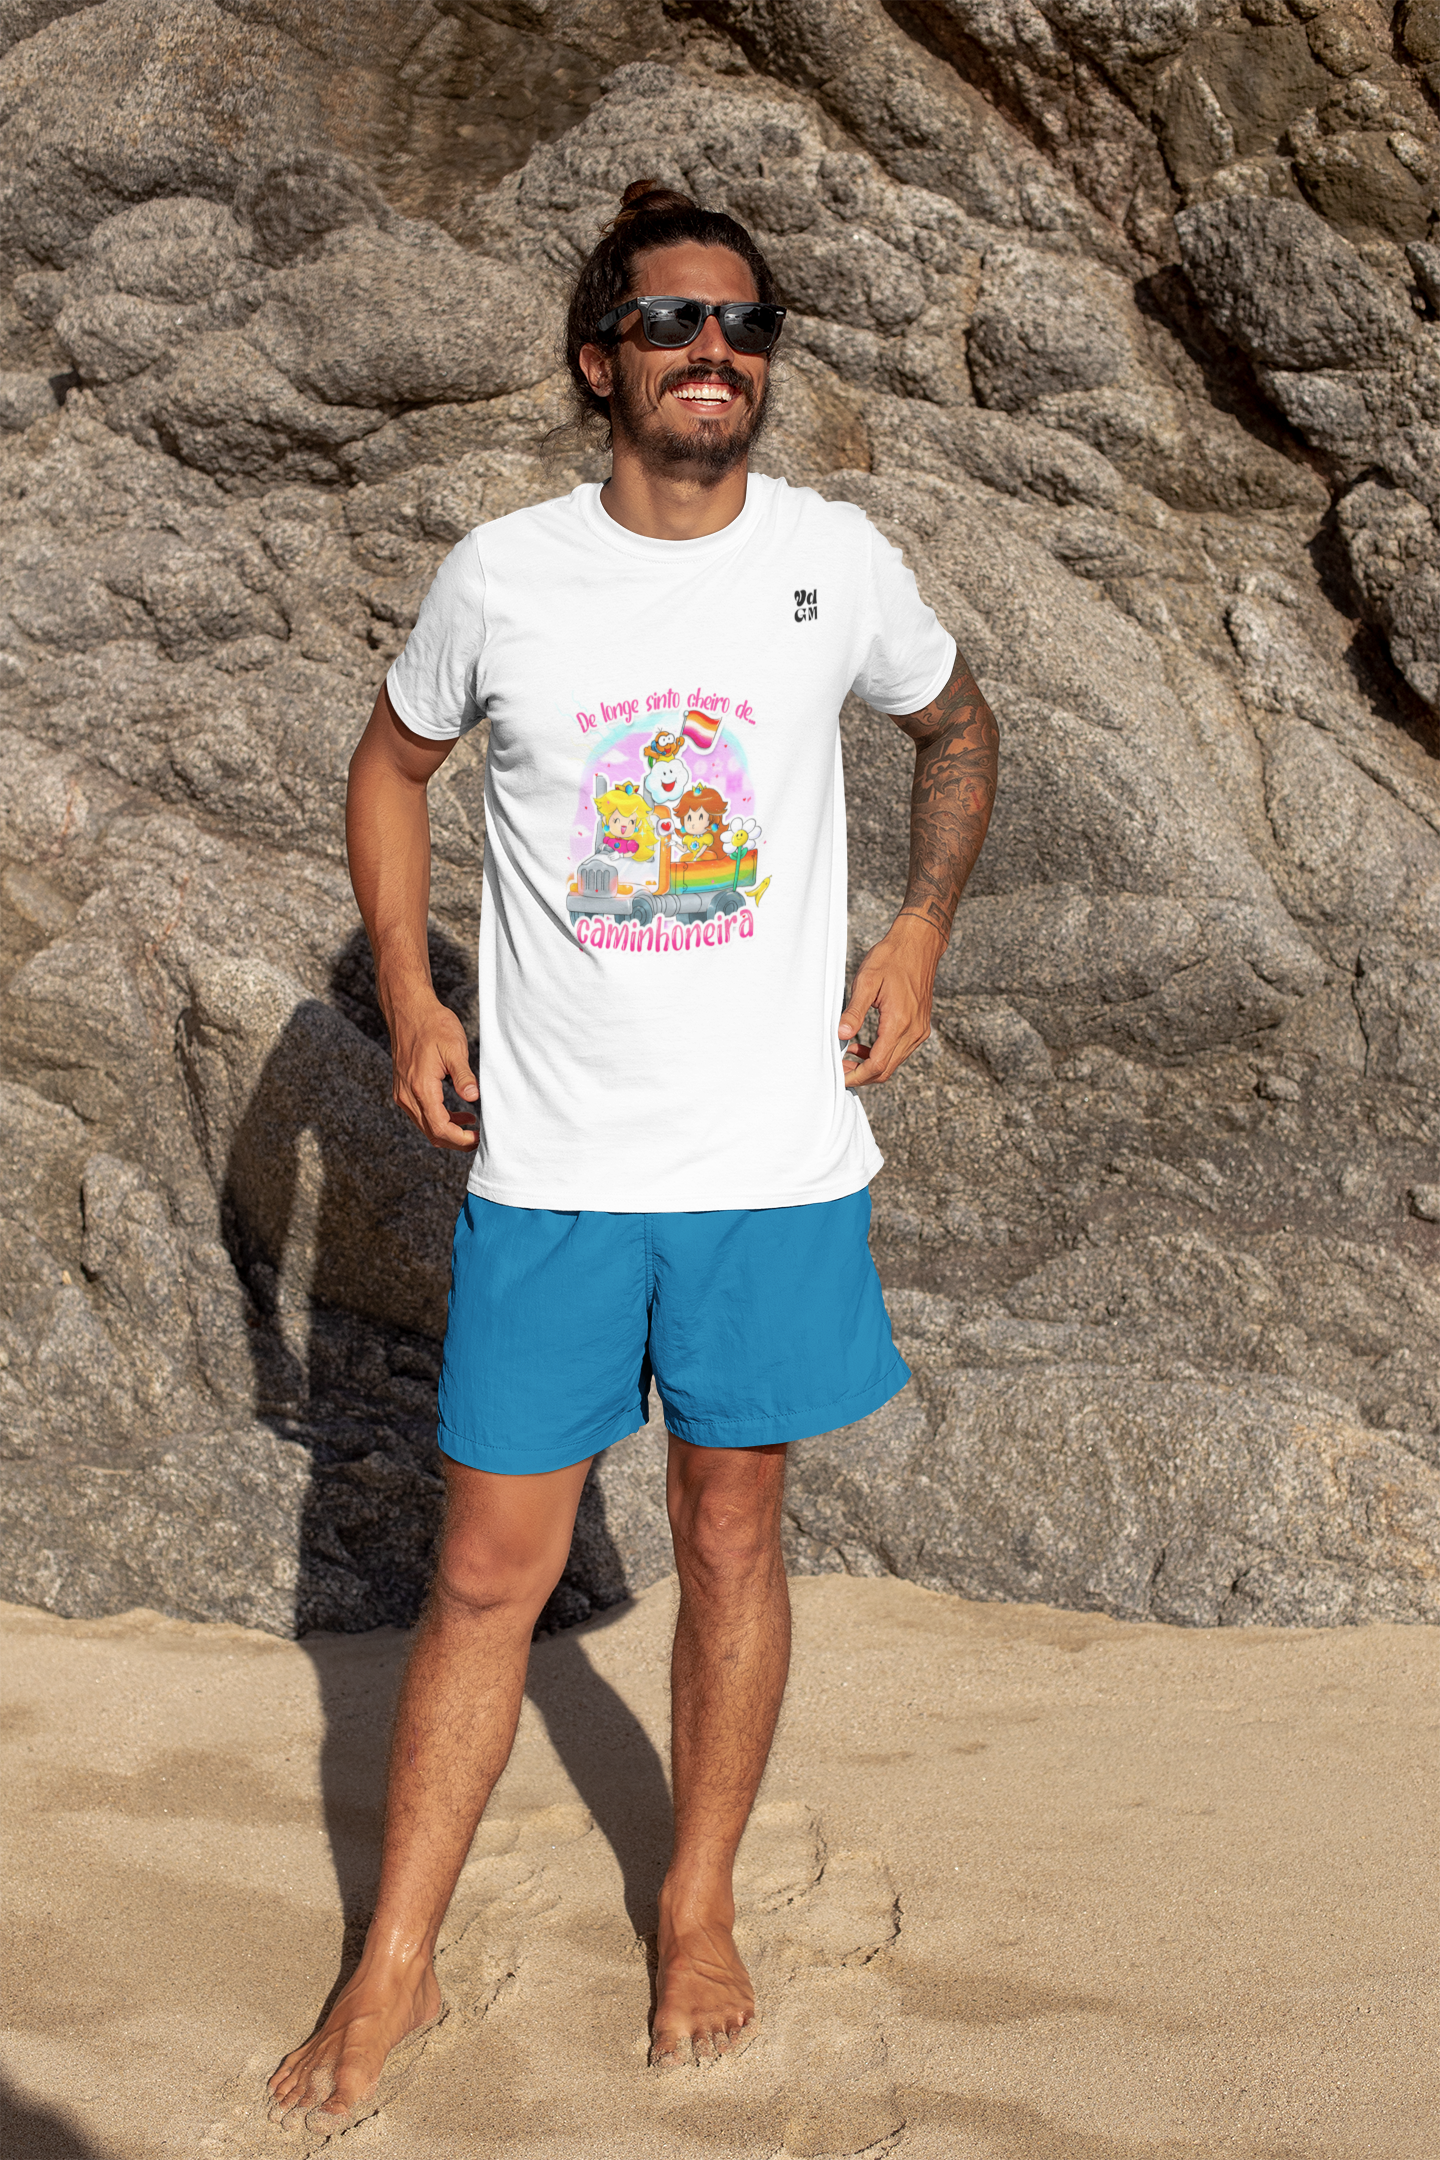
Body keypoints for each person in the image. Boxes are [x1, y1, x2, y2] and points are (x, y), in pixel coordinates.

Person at [267, 176, 998, 2127]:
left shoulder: (834, 560)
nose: (714, 351)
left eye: (745, 325)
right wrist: (412, 999)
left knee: (730, 1532)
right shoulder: (505, 576)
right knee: (485, 1570)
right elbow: (389, 766)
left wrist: (920, 931)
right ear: (602, 360)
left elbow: (958, 729)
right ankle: (396, 1959)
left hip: (769, 1167)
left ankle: (694, 1903)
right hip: (559, 1175)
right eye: (674, 321)